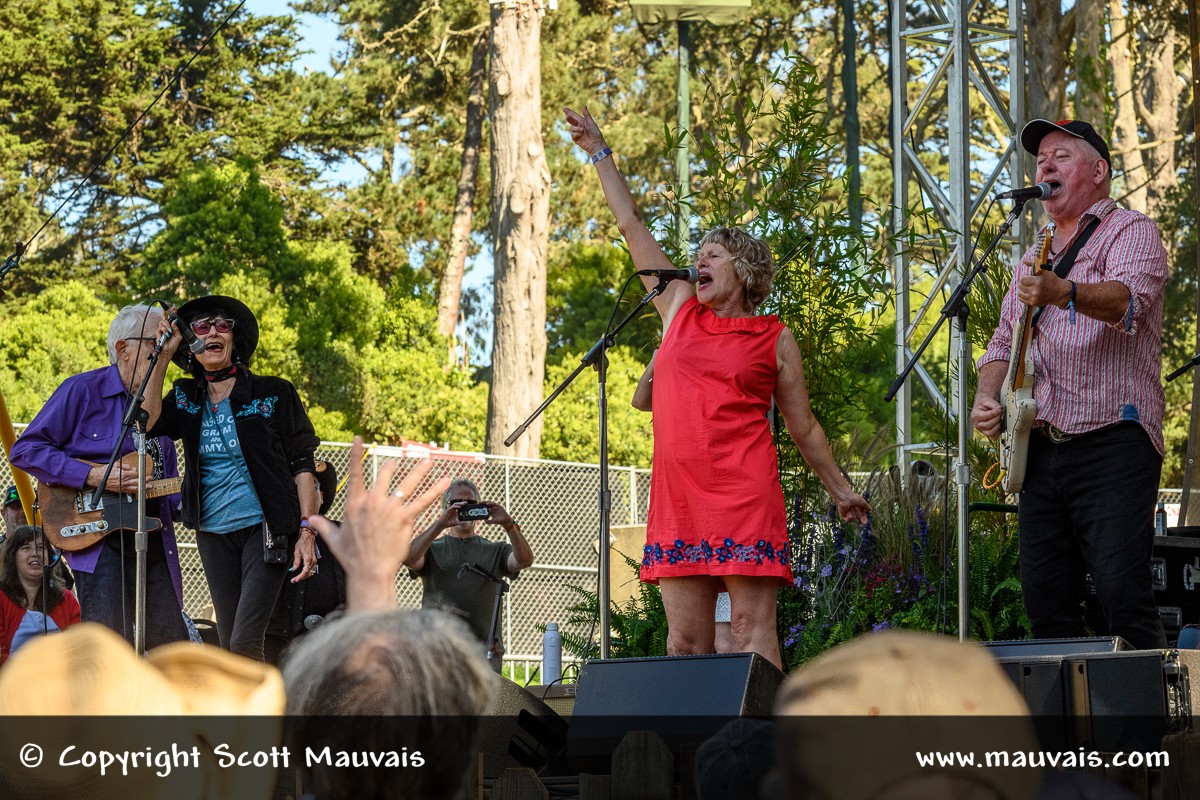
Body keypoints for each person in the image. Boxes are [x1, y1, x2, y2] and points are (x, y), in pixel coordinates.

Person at [565, 105, 870, 669]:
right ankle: (697, 733)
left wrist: (839, 489)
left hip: (744, 496)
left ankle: (761, 730)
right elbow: (631, 224)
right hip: (679, 499)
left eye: (713, 254)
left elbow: (803, 427)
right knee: (685, 644)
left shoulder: (774, 337)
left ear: (744, 271)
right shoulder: (679, 307)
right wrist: (599, 152)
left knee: (751, 633)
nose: (698, 260)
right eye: (697, 254)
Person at [971, 119, 1168, 650]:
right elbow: (1001, 342)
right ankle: (1068, 706)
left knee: (1121, 594)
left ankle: (1148, 703)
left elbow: (1129, 301)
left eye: (1061, 156)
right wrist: (987, 397)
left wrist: (1063, 292)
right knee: (1045, 602)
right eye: (1041, 160)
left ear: (1098, 171)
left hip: (1113, 440)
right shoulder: (1031, 255)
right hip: (1041, 446)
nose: (1045, 166)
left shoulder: (1130, 230)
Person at [149, 295, 320, 661]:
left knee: (244, 641)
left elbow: (302, 463)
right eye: (201, 327)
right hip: (212, 531)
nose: (212, 331)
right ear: (190, 342)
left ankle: (265, 700)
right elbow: (145, 421)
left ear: (234, 338)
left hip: (265, 528)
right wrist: (163, 355)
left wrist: (307, 530)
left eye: (222, 325)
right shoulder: (185, 396)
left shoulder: (273, 392)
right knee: (228, 644)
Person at [10, 304, 188, 648]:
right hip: (97, 541)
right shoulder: (82, 390)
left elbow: (172, 491)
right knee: (109, 649)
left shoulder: (163, 409)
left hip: (154, 540)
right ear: (123, 349)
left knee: (169, 649)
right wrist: (92, 475)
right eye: (155, 343)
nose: (164, 351)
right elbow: (26, 450)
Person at [634, 354, 736, 653]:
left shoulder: (727, 358)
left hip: (728, 507)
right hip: (682, 513)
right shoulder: (675, 362)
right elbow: (640, 400)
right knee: (682, 641)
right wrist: (660, 357)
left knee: (728, 640)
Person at [404, 478, 534, 672]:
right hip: (438, 648)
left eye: (470, 503)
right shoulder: (432, 549)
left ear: (479, 507)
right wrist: (440, 524)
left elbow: (524, 560)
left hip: (484, 650)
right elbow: (409, 558)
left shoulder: (495, 549)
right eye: (456, 503)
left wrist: (509, 525)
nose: (463, 508)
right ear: (445, 508)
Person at [264, 459, 346, 666]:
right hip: (275, 641)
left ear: (322, 496)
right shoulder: (270, 535)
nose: (304, 493)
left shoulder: (343, 534)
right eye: (297, 487)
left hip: (330, 643)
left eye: (312, 487)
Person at [0, 525, 80, 663]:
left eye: (41, 548)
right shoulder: (2, 597)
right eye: (26, 548)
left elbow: (78, 647)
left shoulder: (66, 599)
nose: (35, 554)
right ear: (12, 557)